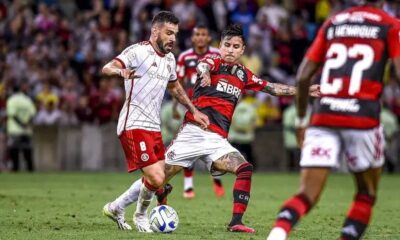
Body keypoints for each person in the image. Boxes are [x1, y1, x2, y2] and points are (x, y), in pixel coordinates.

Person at [160, 24, 320, 233]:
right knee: (156, 179)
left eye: (236, 46)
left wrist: (304, 90)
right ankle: (125, 204)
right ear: (220, 46)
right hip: (193, 133)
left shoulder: (243, 75)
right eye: (227, 45)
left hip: (217, 140)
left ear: (242, 50)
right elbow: (202, 66)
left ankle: (236, 222)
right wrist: (205, 73)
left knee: (244, 169)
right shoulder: (213, 61)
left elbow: (271, 88)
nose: (231, 50)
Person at [267, 1, 400, 239]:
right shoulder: (390, 25)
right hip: (363, 118)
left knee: (306, 194)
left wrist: (300, 121)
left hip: (324, 115)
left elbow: (304, 74)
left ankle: (277, 234)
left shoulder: (333, 22)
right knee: (366, 194)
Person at [101, 11, 209, 232]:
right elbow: (107, 67)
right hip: (133, 124)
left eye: (175, 34)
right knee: (157, 177)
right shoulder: (138, 51)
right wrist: (120, 71)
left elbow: (175, 88)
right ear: (155, 31)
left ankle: (115, 207)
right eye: (169, 33)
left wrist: (193, 110)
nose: (173, 39)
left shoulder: (169, 59)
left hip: (153, 126)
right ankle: (141, 216)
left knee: (156, 180)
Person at [174, 24, 225, 199]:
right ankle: (188, 186)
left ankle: (216, 178)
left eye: (204, 34)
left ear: (209, 38)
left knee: (213, 143)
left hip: (213, 106)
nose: (201, 37)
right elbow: (177, 81)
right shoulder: (184, 57)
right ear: (193, 38)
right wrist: (176, 106)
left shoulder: (216, 55)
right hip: (193, 106)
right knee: (190, 143)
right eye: (198, 34)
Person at [6, 82, 37, 172]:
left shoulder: (11, 100)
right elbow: (33, 114)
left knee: (14, 151)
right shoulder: (28, 100)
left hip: (14, 129)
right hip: (27, 130)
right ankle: (30, 171)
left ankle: (15, 169)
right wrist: (26, 123)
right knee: (27, 152)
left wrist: (20, 124)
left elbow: (11, 114)